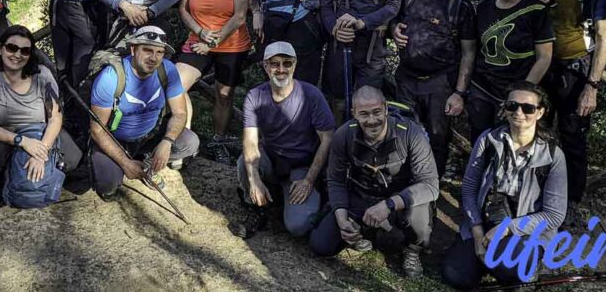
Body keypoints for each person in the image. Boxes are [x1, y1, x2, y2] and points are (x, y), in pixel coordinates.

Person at [441, 81, 567, 289]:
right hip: (486, 221)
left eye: (528, 108)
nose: (519, 112)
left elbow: (554, 215)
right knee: (456, 276)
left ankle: (516, 264)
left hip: (524, 230)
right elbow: (470, 189)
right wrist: (477, 231)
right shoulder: (488, 140)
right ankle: (485, 258)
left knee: (511, 268)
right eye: (512, 106)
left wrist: (507, 228)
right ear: (505, 108)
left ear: (540, 113)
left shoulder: (553, 155)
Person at [531, 0, 606, 219]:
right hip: (543, 66)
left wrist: (592, 86)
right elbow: (525, 18)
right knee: (535, 131)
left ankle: (570, 203)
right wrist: (533, 2)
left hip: (576, 69)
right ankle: (534, 194)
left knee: (573, 137)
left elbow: (604, 38)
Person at [309, 86, 439, 279]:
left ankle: (412, 250)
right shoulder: (344, 135)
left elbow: (430, 185)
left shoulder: (411, 133)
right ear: (354, 114)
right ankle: (359, 231)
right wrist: (341, 217)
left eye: (377, 112)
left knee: (419, 220)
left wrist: (389, 204)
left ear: (385, 108)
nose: (371, 120)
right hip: (361, 195)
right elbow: (335, 180)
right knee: (321, 244)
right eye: (363, 114)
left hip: (400, 200)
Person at [392, 0, 477, 180]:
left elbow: (469, 51)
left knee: (438, 138)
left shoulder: (460, 3)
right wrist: (393, 29)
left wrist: (459, 92)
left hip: (440, 82)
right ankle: (404, 183)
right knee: (403, 133)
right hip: (406, 79)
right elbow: (390, 21)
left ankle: (431, 187)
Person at [236, 41, 335, 239]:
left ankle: (296, 198)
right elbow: (250, 141)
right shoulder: (255, 96)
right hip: (273, 159)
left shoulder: (311, 95)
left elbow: (327, 139)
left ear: (295, 65)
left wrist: (308, 180)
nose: (281, 69)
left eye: (287, 63)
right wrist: (254, 179)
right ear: (265, 66)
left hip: (302, 166)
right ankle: (256, 207)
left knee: (299, 226)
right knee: (244, 163)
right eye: (274, 64)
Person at [89, 26, 199, 199]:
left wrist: (167, 142)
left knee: (190, 142)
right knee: (107, 184)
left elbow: (179, 113)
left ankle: (145, 162)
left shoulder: (167, 70)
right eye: (147, 50)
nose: (153, 58)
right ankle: (120, 164)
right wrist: (124, 163)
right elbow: (97, 130)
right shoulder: (111, 78)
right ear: (133, 49)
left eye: (159, 52)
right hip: (116, 139)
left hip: (149, 135)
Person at [0, 25, 83, 196]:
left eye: (25, 51)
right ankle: (3, 177)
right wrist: (22, 141)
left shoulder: (42, 75)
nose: (17, 55)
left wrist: (42, 150)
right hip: (6, 134)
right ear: (0, 49)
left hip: (40, 131)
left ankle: (49, 179)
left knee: (73, 157)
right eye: (12, 48)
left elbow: (55, 116)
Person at [176, 0, 252, 164]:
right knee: (176, 85)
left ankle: (218, 139)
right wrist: (200, 32)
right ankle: (184, 138)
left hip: (230, 42)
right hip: (198, 39)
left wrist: (214, 40)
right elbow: (183, 9)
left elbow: (240, 16)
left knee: (223, 94)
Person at [467, 0, 553, 143]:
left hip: (517, 91)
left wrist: (522, 94)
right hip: (482, 89)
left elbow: (544, 57)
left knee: (515, 144)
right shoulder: (483, 8)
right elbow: (473, 50)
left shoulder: (535, 10)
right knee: (480, 143)